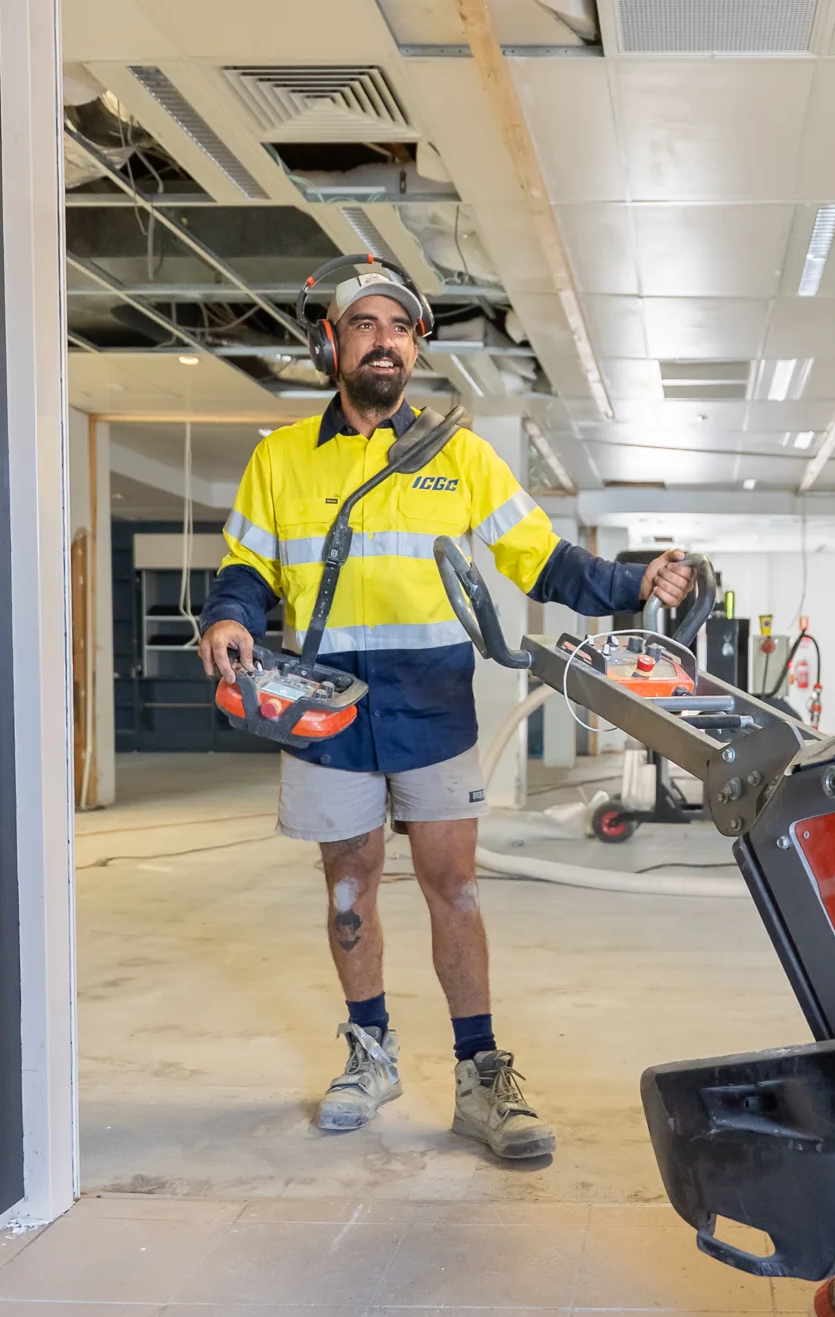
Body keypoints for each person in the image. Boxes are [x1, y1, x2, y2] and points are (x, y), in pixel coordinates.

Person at [198, 262, 693, 1159]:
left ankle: (478, 1077)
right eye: (364, 324)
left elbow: (541, 559)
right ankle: (370, 1053)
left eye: (400, 327)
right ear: (333, 343)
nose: (384, 339)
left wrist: (633, 581)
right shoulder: (280, 459)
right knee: (347, 886)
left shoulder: (459, 455)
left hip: (431, 704)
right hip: (325, 706)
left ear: (415, 348)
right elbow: (245, 570)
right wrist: (228, 618)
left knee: (454, 888)